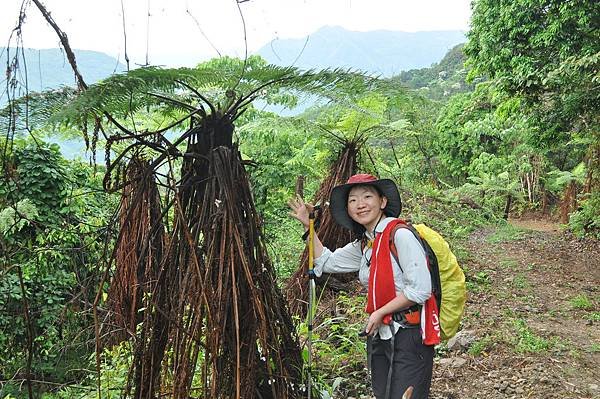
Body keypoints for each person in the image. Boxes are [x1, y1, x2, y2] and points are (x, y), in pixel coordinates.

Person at [288, 173, 434, 399]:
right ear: (348, 209)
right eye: (353, 200)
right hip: (381, 333)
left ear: (382, 202)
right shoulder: (366, 244)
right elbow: (327, 261)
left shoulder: (400, 235)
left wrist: (380, 311)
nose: (360, 204)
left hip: (409, 334)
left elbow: (420, 289)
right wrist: (308, 224)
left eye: (367, 196)